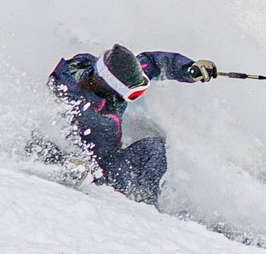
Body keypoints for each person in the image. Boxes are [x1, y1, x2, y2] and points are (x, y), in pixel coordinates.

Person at [48, 43, 217, 205]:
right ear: (111, 86)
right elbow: (52, 132)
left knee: (154, 147)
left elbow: (151, 63)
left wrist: (188, 69)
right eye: (134, 94)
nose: (136, 94)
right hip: (101, 173)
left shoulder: (103, 75)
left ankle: (148, 197)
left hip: (109, 153)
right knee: (152, 151)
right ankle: (143, 207)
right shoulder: (81, 109)